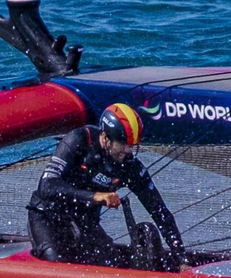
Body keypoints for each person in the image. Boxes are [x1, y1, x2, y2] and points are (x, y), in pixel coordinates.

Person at [27, 102, 185, 267]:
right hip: (47, 216)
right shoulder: (80, 140)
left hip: (84, 222)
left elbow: (160, 212)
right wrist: (95, 196)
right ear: (105, 137)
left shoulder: (129, 166)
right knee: (56, 262)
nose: (128, 151)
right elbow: (47, 186)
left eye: (132, 145)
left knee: (113, 265)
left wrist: (182, 260)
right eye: (123, 144)